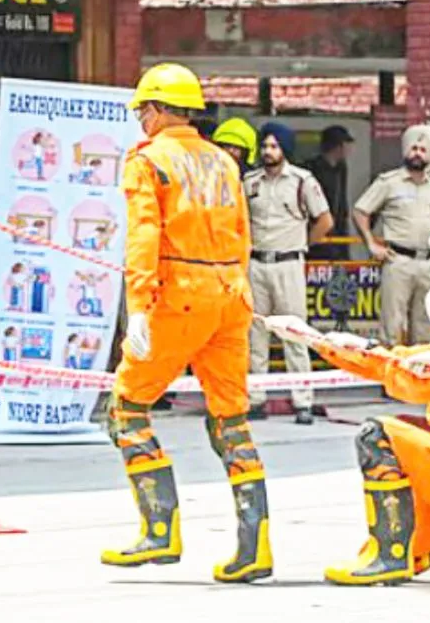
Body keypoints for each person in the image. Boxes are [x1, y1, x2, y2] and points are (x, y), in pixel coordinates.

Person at [101, 62, 273, 583]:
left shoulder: (148, 160)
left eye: (142, 111)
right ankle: (255, 548)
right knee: (231, 420)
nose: (140, 120)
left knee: (125, 408)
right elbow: (242, 235)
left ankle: (160, 530)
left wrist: (138, 308)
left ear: (156, 110)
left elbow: (144, 235)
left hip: (179, 298)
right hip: (231, 296)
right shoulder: (223, 161)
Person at [264, 238, 430, 585]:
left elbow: (420, 378)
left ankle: (389, 556)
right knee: (411, 431)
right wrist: (321, 341)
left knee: (379, 435)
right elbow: (396, 362)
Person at [243, 122, 333, 424]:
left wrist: (303, 244)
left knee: (295, 333)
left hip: (289, 263)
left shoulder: (302, 181)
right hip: (256, 263)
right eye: (265, 146)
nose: (268, 151)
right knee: (255, 335)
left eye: (274, 146)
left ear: (285, 149)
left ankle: (302, 401)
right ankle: (256, 399)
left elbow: (325, 221)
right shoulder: (250, 182)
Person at [353, 125, 430, 347]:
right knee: (392, 328)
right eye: (413, 148)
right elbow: (360, 211)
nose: (417, 154)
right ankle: (389, 370)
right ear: (405, 150)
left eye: (423, 150)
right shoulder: (389, 182)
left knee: (424, 329)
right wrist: (371, 244)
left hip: (428, 264)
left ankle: (418, 370)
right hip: (398, 261)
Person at [305, 125, 355, 261]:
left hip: (337, 231)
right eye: (346, 144)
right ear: (338, 146)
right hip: (317, 229)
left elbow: (341, 205)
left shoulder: (341, 168)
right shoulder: (312, 168)